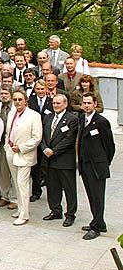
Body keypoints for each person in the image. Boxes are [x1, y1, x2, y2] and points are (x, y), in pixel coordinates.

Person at [77, 93, 115, 240]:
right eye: (84, 103)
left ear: (95, 104)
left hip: (97, 166)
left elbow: (109, 146)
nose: (86, 105)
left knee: (97, 197)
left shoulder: (101, 122)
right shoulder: (82, 119)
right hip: (85, 165)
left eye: (89, 103)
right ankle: (99, 221)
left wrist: (104, 162)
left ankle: (96, 227)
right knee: (91, 196)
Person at [4, 89, 42, 226]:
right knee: (15, 182)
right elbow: (9, 132)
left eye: (20, 99)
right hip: (11, 152)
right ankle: (20, 209)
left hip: (25, 154)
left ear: (25, 101)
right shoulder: (11, 113)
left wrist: (21, 148)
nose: (17, 102)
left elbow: (37, 138)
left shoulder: (34, 116)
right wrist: (7, 146)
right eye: (15, 100)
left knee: (22, 183)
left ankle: (24, 214)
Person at [40, 93, 79, 227]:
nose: (55, 106)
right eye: (54, 103)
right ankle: (55, 210)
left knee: (69, 188)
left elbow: (69, 139)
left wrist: (54, 151)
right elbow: (43, 136)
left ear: (65, 104)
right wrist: (44, 148)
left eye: (58, 103)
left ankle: (70, 214)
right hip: (49, 160)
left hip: (64, 160)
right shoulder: (48, 117)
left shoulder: (72, 119)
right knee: (52, 187)